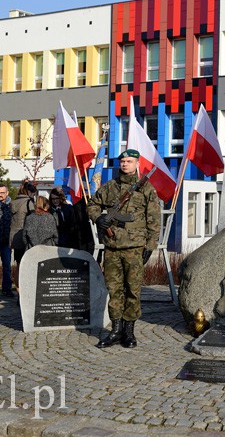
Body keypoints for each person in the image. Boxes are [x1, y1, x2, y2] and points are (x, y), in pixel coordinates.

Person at [87, 149, 161, 349]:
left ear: (137, 164)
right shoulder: (110, 187)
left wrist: (151, 246)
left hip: (135, 248)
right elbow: (92, 204)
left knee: (133, 291)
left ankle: (129, 331)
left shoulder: (146, 189)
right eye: (122, 161)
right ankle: (116, 330)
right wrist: (99, 217)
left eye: (129, 161)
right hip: (112, 248)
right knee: (114, 290)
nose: (125, 164)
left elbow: (154, 220)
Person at [9, 181, 37, 269]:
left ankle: (17, 283)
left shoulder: (13, 202)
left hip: (14, 237)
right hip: (26, 237)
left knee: (18, 264)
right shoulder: (28, 203)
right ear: (29, 192)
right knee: (27, 266)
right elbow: (33, 220)